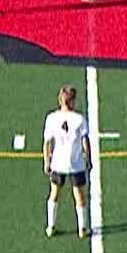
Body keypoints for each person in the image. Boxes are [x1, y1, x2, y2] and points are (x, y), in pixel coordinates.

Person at [42, 86, 91, 239]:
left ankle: (51, 226)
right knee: (79, 195)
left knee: (54, 193)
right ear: (73, 101)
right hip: (76, 163)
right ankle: (82, 228)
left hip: (58, 163)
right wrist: (88, 160)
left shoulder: (51, 118)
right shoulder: (79, 119)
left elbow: (47, 142)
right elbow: (85, 141)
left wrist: (46, 161)